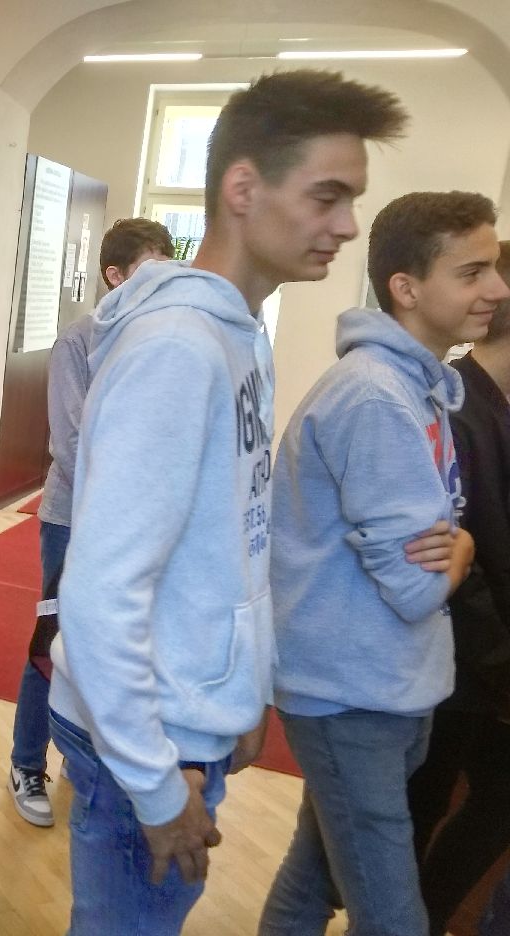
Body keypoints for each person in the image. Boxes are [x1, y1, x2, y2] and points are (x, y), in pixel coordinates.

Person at [47, 70, 408, 935]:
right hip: (148, 742)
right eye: (326, 196)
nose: (347, 225)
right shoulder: (177, 347)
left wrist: (245, 693)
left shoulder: (237, 333)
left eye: (351, 200)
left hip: (186, 721)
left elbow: (238, 541)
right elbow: (100, 594)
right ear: (243, 188)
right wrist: (154, 782)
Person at [259, 192, 507, 936]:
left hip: (387, 684)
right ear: (407, 287)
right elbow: (414, 586)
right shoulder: (375, 397)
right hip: (351, 694)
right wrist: (461, 551)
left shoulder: (415, 388)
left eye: (493, 269)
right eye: (472, 272)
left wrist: (454, 548)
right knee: (390, 913)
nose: (496, 289)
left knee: (315, 882)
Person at [7, 217, 173, 828]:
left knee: (116, 650)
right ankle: (27, 762)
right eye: (150, 271)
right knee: (53, 644)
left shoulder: (163, 343)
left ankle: (87, 759)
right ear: (115, 275)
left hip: (138, 526)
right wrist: (132, 496)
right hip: (74, 519)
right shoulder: (78, 344)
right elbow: (72, 444)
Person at [406, 241, 510, 936]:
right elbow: (454, 563)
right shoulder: (457, 408)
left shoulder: (489, 404)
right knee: (415, 815)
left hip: (479, 664)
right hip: (454, 665)